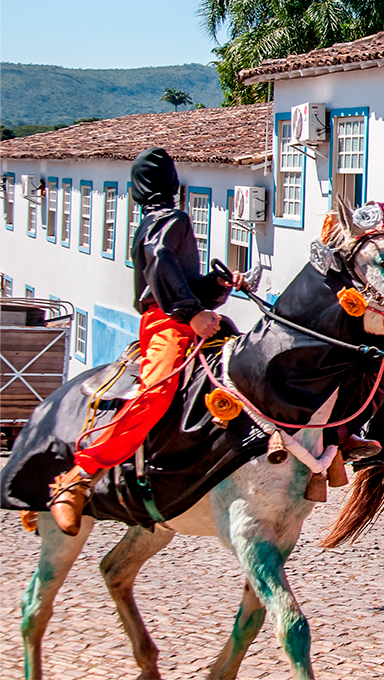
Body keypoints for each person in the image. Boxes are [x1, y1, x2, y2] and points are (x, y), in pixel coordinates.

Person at [47, 148, 241, 536]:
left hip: (188, 316)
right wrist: (191, 311)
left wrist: (213, 287)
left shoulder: (160, 219)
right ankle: (81, 472)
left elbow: (177, 274)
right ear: (173, 185)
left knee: (251, 369)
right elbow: (159, 261)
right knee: (155, 392)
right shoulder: (169, 219)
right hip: (169, 322)